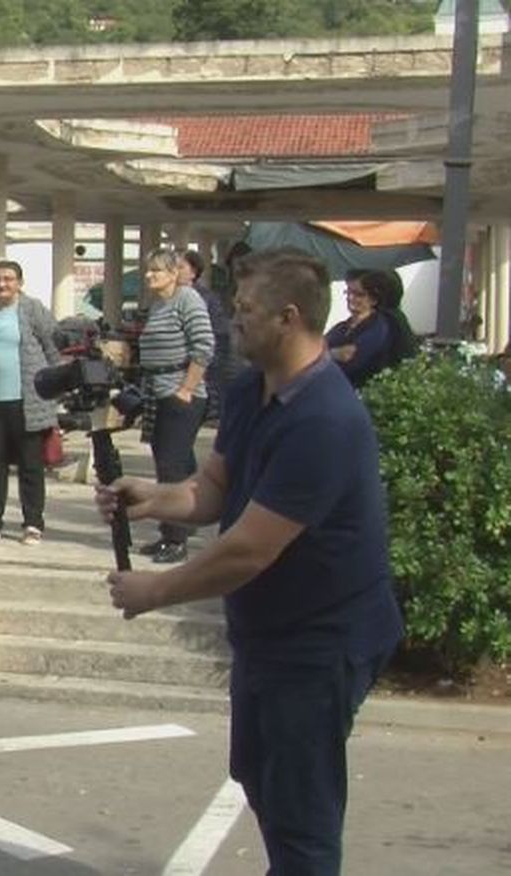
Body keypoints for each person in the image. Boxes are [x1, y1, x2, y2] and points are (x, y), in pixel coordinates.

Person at [97, 248, 402, 874]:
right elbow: (213, 490)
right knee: (259, 775)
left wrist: (155, 591)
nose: (233, 320)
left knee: (301, 811)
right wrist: (151, 497)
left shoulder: (325, 418)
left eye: (245, 310)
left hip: (323, 640)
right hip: (267, 635)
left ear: (288, 317)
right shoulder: (248, 390)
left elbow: (250, 548)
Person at [136, 247, 216, 565]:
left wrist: (187, 388)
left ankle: (176, 538)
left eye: (156, 270)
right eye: (148, 270)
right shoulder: (158, 304)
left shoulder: (188, 299)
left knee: (172, 466)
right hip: (157, 391)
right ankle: (174, 528)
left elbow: (204, 345)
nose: (149, 276)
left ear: (172, 273)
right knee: (170, 463)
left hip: (180, 393)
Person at [0, 259, 60, 545]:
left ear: (19, 282)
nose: (2, 284)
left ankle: (33, 523)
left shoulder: (32, 309)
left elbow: (54, 347)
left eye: (8, 279)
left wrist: (56, 386)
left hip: (26, 401)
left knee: (30, 465)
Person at [179, 249, 232, 419]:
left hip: (204, 365)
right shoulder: (171, 298)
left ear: (193, 273)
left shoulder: (202, 299)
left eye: (180, 267)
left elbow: (213, 339)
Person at [325, 269, 395, 389]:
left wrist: (326, 353)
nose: (350, 297)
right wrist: (334, 353)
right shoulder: (341, 327)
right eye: (348, 292)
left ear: (374, 299)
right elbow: (314, 349)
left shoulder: (377, 327)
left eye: (359, 294)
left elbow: (349, 359)